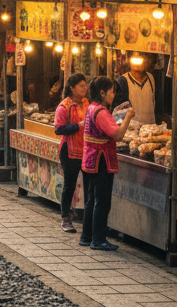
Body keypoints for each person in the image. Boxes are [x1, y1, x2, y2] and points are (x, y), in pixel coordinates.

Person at [80, 76, 138, 251]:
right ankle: (98, 240)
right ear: (102, 93)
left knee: (91, 200)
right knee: (102, 201)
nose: (114, 95)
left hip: (90, 159)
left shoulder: (92, 108)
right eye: (112, 91)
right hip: (101, 161)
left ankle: (87, 236)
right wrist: (128, 116)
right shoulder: (100, 112)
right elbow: (118, 135)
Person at [54, 72, 88, 233]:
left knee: (88, 185)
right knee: (69, 185)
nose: (84, 88)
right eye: (81, 85)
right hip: (69, 151)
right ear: (72, 88)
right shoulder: (64, 107)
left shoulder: (86, 102)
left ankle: (87, 218)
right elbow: (58, 129)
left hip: (86, 149)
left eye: (85, 85)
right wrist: (78, 125)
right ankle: (66, 218)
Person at [112, 52, 164, 125]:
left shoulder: (151, 78)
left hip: (150, 126)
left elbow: (158, 104)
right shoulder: (122, 81)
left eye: (141, 60)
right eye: (135, 60)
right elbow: (117, 112)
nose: (138, 63)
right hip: (131, 128)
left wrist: (160, 122)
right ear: (129, 61)